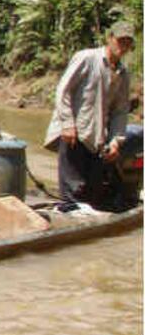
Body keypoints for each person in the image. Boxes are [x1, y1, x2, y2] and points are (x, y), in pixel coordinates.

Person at [42, 21, 135, 211]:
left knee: (93, 192)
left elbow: (120, 111)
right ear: (110, 38)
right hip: (73, 133)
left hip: (97, 136)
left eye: (127, 43)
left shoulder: (123, 74)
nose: (123, 46)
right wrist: (67, 124)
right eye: (120, 41)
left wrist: (116, 140)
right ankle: (68, 210)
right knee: (71, 193)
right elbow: (63, 90)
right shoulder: (86, 58)